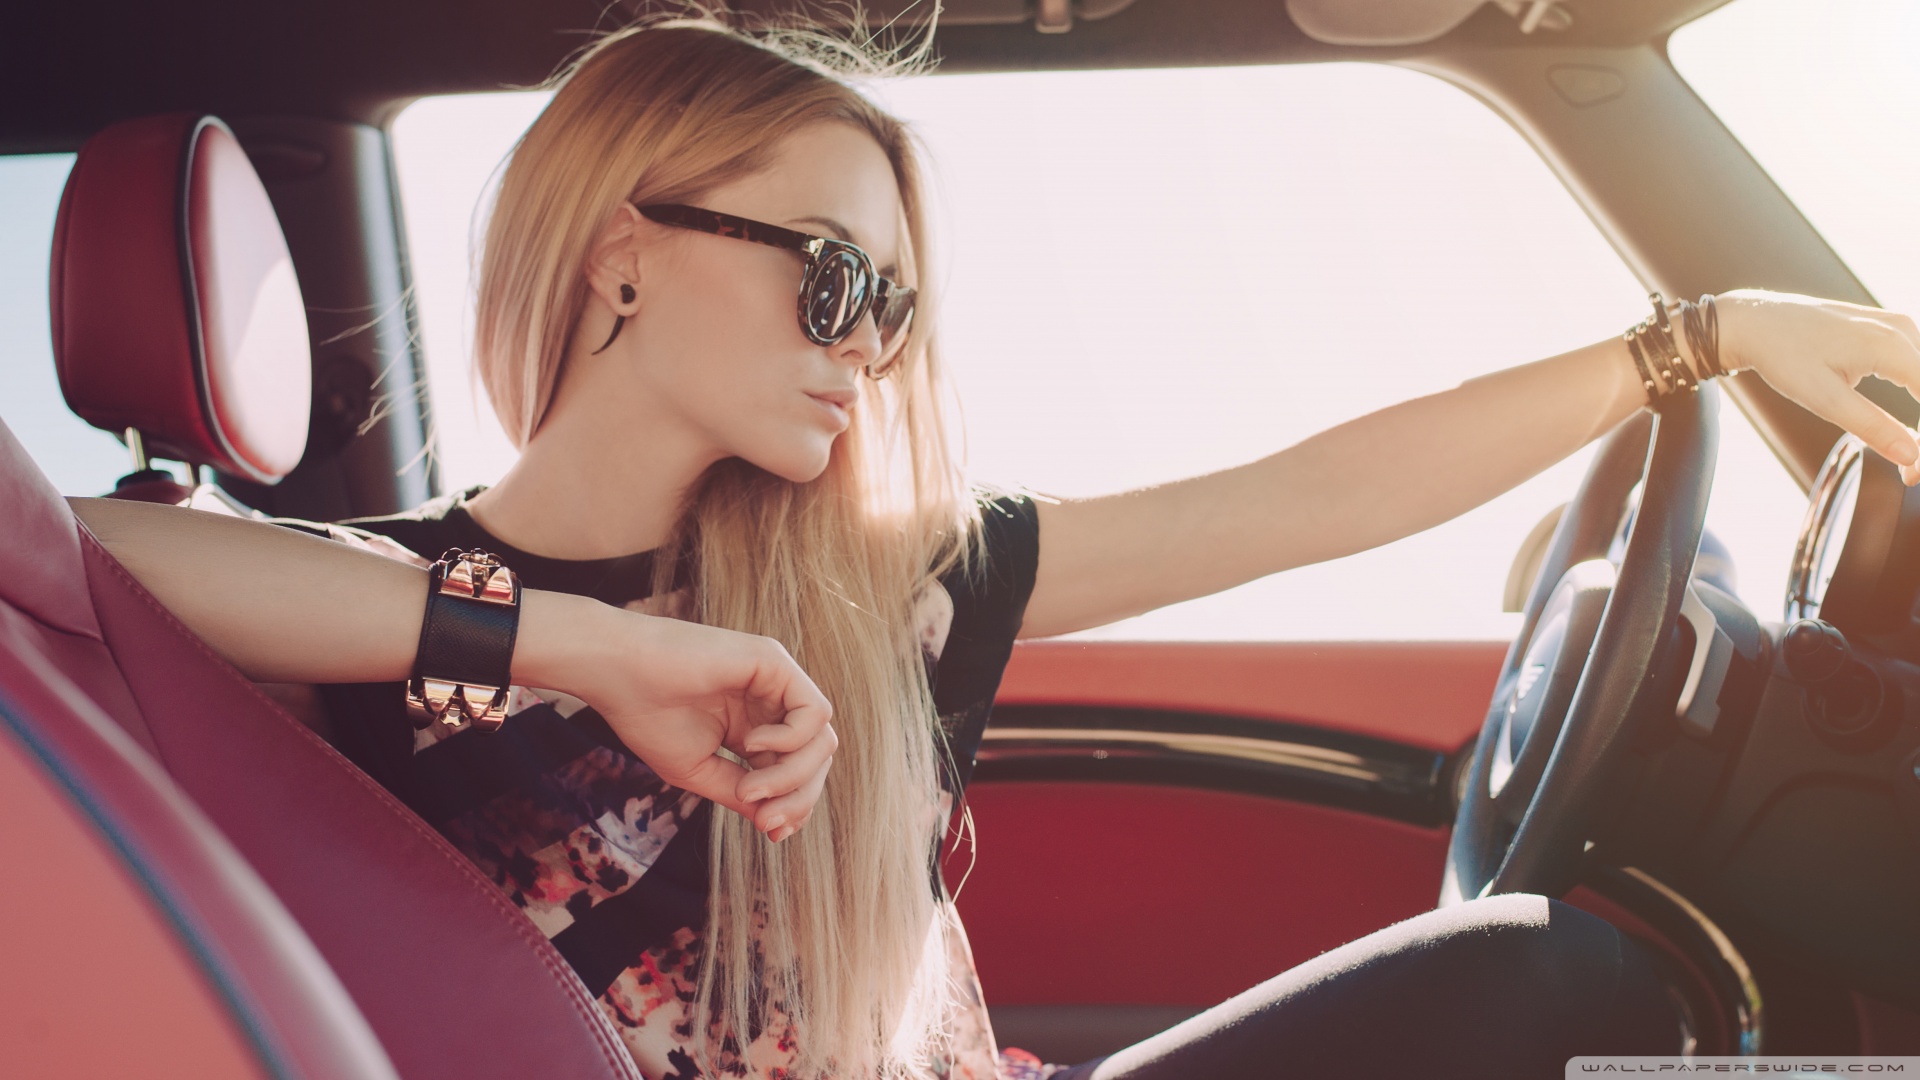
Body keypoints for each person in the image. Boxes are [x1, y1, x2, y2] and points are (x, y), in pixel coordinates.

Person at [68, 13, 1920, 1080]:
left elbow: (1296, 501)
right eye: (837, 280)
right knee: (1560, 984)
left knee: (1559, 979)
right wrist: (592, 647)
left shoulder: (875, 587)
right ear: (626, 255)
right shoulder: (367, 617)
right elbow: (86, 550)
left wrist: (1689, 346)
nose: (870, 350)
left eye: (897, 309)